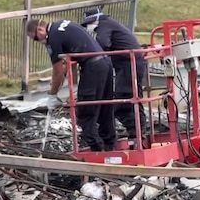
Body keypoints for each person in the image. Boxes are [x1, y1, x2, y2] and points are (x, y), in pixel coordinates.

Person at [26, 18, 116, 152]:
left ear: (40, 30)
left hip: (93, 67)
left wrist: (52, 95)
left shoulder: (53, 38)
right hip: (105, 62)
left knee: (86, 111)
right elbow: (66, 63)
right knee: (104, 107)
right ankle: (110, 146)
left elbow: (58, 71)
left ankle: (97, 150)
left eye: (36, 38)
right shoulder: (62, 25)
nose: (38, 42)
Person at [81, 8, 148, 139]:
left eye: (88, 24)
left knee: (124, 97)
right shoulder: (109, 24)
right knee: (132, 96)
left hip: (129, 63)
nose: (88, 28)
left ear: (95, 21)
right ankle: (137, 130)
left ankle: (136, 130)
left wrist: (89, 52)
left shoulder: (104, 25)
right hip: (131, 63)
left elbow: (103, 43)